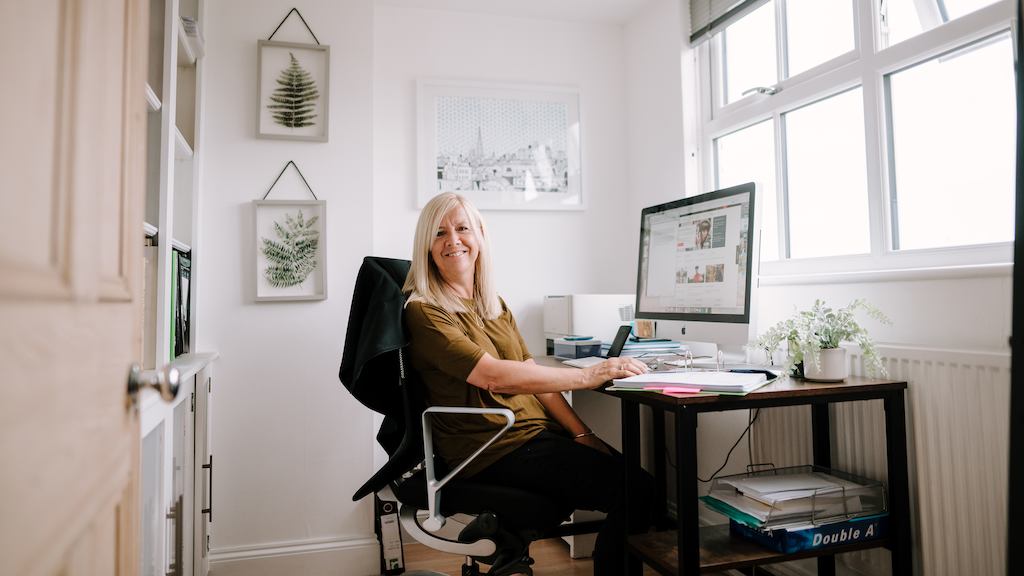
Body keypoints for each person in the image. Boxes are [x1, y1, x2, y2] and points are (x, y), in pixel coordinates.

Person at [403, 192, 653, 575]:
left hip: (531, 437)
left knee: (641, 486)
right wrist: (589, 375)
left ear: (480, 236)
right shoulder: (424, 310)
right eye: (439, 233)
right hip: (492, 446)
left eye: (462, 228)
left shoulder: (492, 303)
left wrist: (582, 434)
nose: (452, 240)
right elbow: (492, 374)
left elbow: (529, 373)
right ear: (426, 247)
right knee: (637, 492)